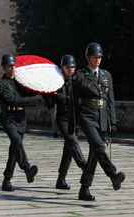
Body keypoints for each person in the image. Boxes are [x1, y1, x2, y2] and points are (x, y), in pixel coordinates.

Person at [73, 42, 125, 201]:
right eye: (95, 57)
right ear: (88, 58)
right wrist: (73, 122)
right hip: (87, 116)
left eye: (99, 57)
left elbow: (110, 100)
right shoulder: (80, 75)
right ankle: (113, 175)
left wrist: (112, 121)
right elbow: (74, 100)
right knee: (98, 146)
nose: (98, 60)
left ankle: (84, 189)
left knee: (94, 155)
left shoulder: (106, 75)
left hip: (101, 116)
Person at [0, 54, 42, 191]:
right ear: (4, 68)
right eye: (8, 66)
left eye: (12, 66)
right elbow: (13, 100)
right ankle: (27, 168)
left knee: (14, 150)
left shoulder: (20, 81)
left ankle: (7, 180)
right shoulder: (1, 84)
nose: (11, 68)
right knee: (16, 141)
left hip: (21, 118)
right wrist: (35, 99)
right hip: (9, 118)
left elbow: (28, 92)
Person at [53, 55, 87, 190]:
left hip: (74, 118)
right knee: (72, 142)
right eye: (68, 67)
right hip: (63, 119)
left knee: (68, 150)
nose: (70, 70)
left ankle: (61, 180)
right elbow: (55, 98)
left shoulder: (77, 81)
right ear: (63, 68)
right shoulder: (56, 81)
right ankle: (84, 166)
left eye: (72, 67)